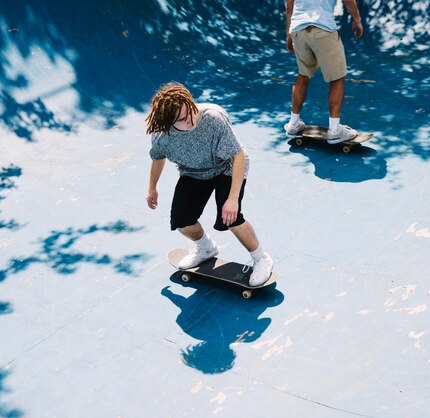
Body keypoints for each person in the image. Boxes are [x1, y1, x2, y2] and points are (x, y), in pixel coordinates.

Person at [145, 82, 273, 286]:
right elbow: (158, 157)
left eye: (191, 112)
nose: (191, 121)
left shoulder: (212, 119)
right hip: (193, 172)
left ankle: (261, 258)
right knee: (182, 220)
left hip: (226, 166)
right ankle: (205, 248)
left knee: (230, 217)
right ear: (169, 123)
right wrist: (152, 187)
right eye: (182, 120)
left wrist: (232, 199)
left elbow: (237, 155)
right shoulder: (161, 135)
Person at [284, 0, 364, 143]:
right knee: (337, 78)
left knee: (303, 75)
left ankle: (293, 124)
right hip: (323, 28)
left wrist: (289, 33)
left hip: (298, 29)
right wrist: (357, 20)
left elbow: (289, 6)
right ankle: (334, 131)